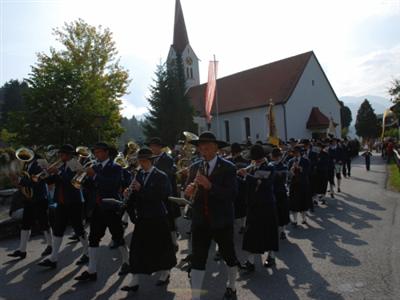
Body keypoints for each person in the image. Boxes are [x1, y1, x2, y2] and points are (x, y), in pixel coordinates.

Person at [184, 132, 239, 300]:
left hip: (222, 220)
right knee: (198, 259)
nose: (203, 148)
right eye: (200, 145)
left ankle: (232, 286)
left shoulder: (228, 167)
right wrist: (188, 192)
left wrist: (210, 186)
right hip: (200, 221)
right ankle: (195, 297)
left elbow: (232, 195)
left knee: (229, 255)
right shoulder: (195, 167)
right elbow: (188, 193)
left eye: (207, 145)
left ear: (216, 148)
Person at [121, 148, 177, 292]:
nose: (142, 163)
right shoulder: (138, 174)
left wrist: (141, 190)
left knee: (161, 247)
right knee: (136, 248)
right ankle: (134, 280)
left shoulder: (161, 176)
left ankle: (165, 272)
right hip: (143, 217)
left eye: (145, 161)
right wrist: (128, 193)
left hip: (157, 216)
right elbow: (135, 195)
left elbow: (161, 196)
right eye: (140, 161)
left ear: (151, 161)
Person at [75, 142, 129, 282]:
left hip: (111, 206)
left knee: (117, 237)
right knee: (93, 238)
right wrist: (83, 178)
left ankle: (126, 262)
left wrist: (94, 176)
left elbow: (113, 184)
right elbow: (91, 186)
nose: (96, 154)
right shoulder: (95, 167)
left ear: (106, 152)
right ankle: (92, 270)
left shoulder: (116, 167)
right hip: (98, 207)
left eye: (99, 152)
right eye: (95, 152)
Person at [38, 144, 89, 268]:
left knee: (78, 228)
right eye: (60, 154)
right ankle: (53, 258)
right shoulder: (62, 165)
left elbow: (74, 182)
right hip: (61, 202)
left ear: (70, 154)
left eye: (63, 154)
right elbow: (53, 182)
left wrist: (58, 172)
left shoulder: (76, 165)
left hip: (74, 202)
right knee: (58, 228)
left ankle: (87, 252)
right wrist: (46, 175)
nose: (60, 156)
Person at [238, 144, 279, 274]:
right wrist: (239, 176)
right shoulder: (253, 167)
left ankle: (271, 257)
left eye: (255, 159)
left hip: (266, 205)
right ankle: (250, 262)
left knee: (268, 232)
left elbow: (263, 184)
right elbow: (250, 184)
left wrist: (247, 176)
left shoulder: (269, 167)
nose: (254, 161)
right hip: (253, 205)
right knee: (251, 234)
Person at [8, 150, 52, 260]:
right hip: (29, 198)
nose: (23, 159)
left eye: (25, 156)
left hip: (40, 197)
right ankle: (22, 250)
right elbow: (26, 179)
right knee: (26, 223)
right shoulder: (27, 165)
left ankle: (50, 245)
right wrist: (19, 179)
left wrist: (20, 180)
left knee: (43, 222)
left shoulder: (38, 165)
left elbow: (35, 181)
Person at [147, 137, 181, 252]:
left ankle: (174, 242)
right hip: (156, 193)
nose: (152, 148)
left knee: (170, 218)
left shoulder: (167, 158)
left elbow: (165, 174)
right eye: (151, 146)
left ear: (160, 147)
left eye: (154, 146)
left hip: (167, 192)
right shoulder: (151, 158)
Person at [227, 143, 249, 234]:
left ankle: (238, 225)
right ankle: (242, 225)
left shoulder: (228, 161)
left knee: (237, 206)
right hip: (240, 186)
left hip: (236, 186)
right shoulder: (246, 161)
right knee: (241, 206)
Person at [288, 145, 311, 226]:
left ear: (300, 153)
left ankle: (304, 218)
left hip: (303, 184)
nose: (296, 154)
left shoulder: (306, 161)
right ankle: (294, 220)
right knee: (294, 202)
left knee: (303, 202)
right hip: (294, 184)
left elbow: (308, 172)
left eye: (297, 152)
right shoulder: (291, 161)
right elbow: (288, 175)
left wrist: (301, 169)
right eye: (294, 153)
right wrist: (291, 171)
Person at [270, 148, 290, 240]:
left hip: (280, 191)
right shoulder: (270, 165)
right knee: (276, 213)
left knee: (282, 212)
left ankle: (282, 231)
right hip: (274, 192)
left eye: (278, 156)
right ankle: (279, 231)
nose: (277, 157)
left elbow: (284, 179)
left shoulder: (283, 166)